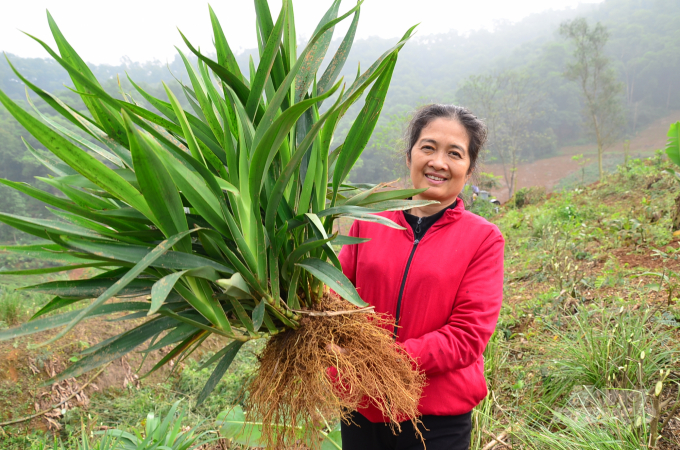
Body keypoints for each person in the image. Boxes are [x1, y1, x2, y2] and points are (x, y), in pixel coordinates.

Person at [337, 104, 505, 450]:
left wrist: (385, 362)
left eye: (454, 153)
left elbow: (467, 336)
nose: (438, 162)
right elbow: (333, 296)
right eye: (428, 147)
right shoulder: (367, 223)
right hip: (361, 406)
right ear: (410, 153)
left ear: (468, 168)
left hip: (437, 418)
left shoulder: (483, 239)